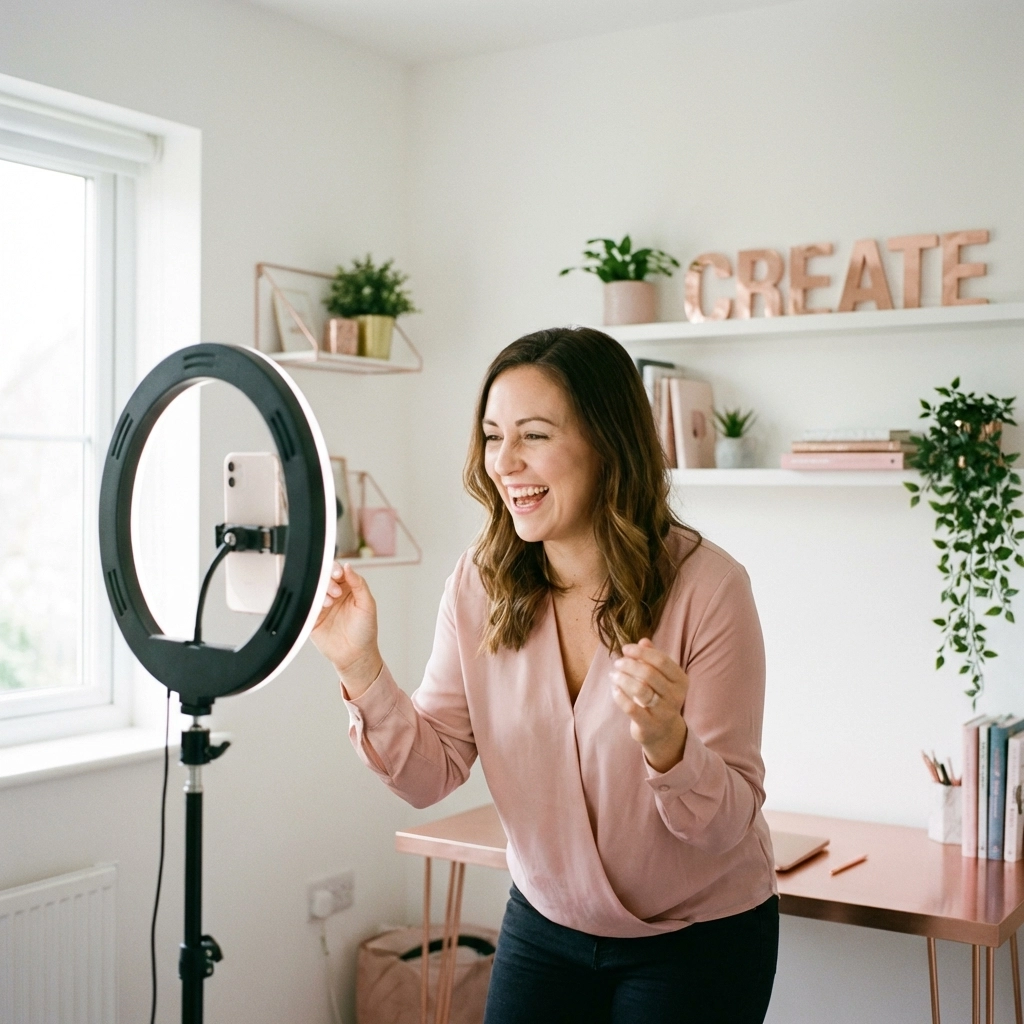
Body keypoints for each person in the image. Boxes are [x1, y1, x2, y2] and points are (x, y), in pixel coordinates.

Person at [312, 326, 778, 1024]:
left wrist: (668, 743)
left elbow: (724, 825)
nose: (505, 462)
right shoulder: (479, 584)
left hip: (694, 939)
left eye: (533, 435)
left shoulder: (708, 589)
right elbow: (429, 774)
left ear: (605, 443)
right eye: (494, 436)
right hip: (547, 924)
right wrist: (361, 666)